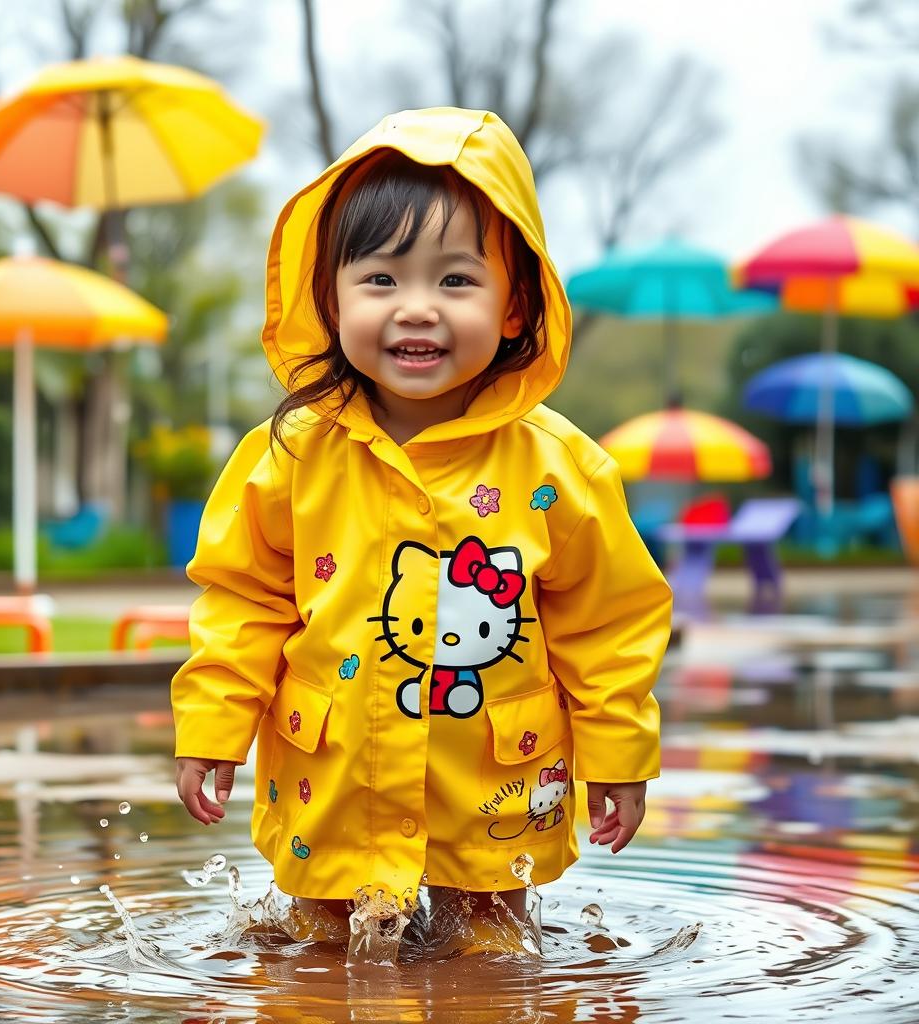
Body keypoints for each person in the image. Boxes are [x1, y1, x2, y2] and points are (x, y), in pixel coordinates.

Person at [172, 107, 672, 931]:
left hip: (493, 784)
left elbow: (609, 622)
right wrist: (211, 727)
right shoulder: (291, 454)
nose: (415, 309)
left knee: (495, 961)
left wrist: (620, 755)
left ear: (515, 306)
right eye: (380, 280)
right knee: (319, 960)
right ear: (329, 299)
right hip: (332, 772)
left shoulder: (559, 468)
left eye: (455, 280)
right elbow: (240, 601)